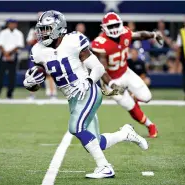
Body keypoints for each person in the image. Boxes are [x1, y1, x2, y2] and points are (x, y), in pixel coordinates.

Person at [23, 10, 148, 179]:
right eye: (41, 29)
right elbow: (38, 82)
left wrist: (88, 81)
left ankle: (105, 167)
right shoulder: (38, 50)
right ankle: (125, 133)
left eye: (46, 28)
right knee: (96, 141)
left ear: (58, 28)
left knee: (75, 127)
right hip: (72, 98)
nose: (42, 32)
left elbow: (98, 68)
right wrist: (31, 84)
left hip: (87, 91)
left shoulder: (73, 41)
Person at [91, 12, 161, 138]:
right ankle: (150, 125)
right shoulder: (100, 43)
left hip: (126, 72)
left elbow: (139, 35)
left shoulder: (125, 33)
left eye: (116, 25)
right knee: (129, 105)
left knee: (147, 97)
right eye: (110, 26)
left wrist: (154, 34)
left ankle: (133, 96)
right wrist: (112, 85)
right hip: (111, 80)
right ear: (104, 28)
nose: (114, 29)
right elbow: (101, 69)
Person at [26, 12, 58, 99]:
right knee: (33, 73)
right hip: (37, 54)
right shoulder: (33, 30)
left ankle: (52, 94)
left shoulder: (51, 29)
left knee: (50, 74)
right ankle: (32, 94)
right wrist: (34, 37)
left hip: (47, 54)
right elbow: (29, 42)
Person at [0, 19, 24, 99]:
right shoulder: (3, 32)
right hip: (3, 55)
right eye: (11, 24)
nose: (12, 25)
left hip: (13, 56)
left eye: (14, 24)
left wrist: (9, 53)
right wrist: (5, 53)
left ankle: (9, 94)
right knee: (0, 75)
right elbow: (0, 44)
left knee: (12, 76)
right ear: (8, 24)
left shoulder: (19, 33)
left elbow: (19, 45)